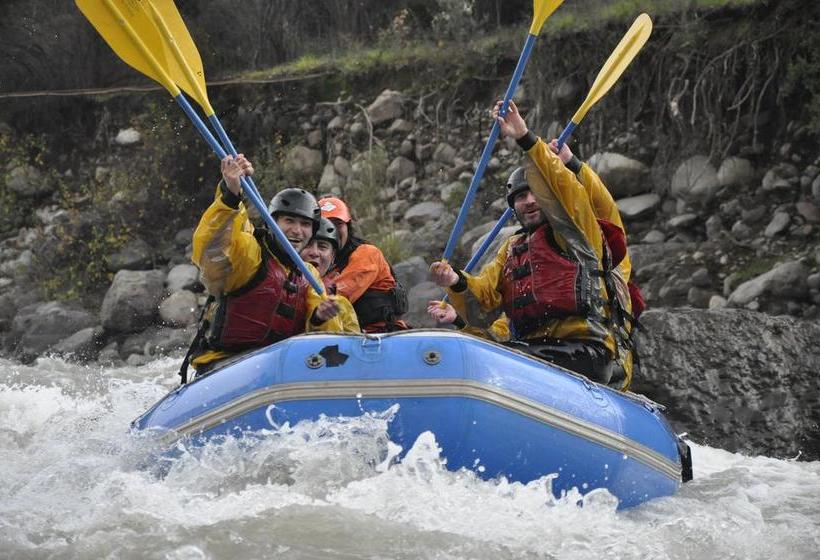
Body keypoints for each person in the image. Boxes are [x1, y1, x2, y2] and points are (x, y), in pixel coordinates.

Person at [429, 100, 633, 388]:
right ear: (513, 208)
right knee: (484, 354)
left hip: (587, 351)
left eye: (535, 194)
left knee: (502, 360)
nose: (530, 202)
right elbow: (485, 306)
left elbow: (570, 193)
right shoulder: (512, 248)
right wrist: (455, 281)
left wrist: (526, 138)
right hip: (537, 348)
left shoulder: (577, 234)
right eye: (521, 198)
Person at [179, 155, 358, 381]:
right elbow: (212, 248)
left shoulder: (309, 275)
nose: (297, 231)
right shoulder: (251, 253)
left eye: (305, 224)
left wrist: (318, 318)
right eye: (289, 221)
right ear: (272, 223)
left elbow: (322, 343)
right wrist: (230, 195)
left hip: (276, 366)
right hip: (225, 364)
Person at [318, 196, 410, 333]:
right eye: (325, 223)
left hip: (380, 336)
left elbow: (339, 296)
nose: (332, 230)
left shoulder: (367, 254)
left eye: (338, 224)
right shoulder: (318, 260)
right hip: (346, 336)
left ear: (348, 227)